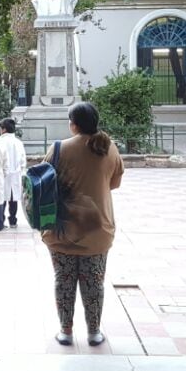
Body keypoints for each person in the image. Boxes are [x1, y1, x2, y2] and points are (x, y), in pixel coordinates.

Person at [42, 102, 124, 347]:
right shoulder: (109, 148)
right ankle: (94, 332)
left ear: (74, 124)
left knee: (63, 280)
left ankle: (66, 331)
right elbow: (115, 184)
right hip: (98, 229)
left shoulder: (58, 148)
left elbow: (44, 185)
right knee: (94, 282)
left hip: (62, 230)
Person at [0, 118, 25, 227]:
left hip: (1, 175)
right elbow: (23, 161)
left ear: (3, 129)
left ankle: (0, 220)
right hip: (15, 175)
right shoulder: (18, 143)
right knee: (13, 199)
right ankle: (13, 221)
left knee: (1, 198)